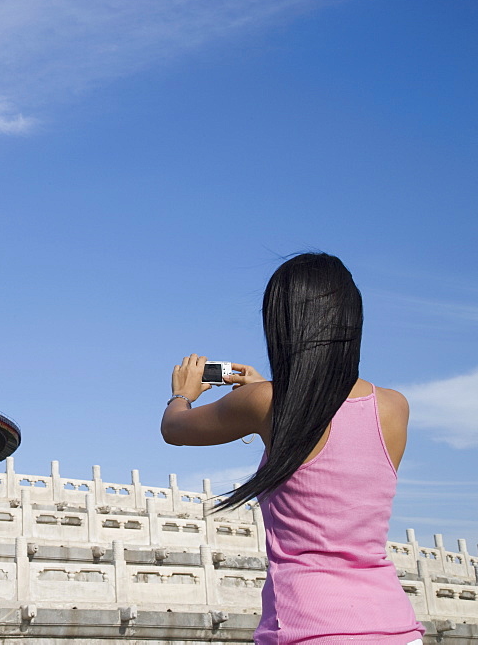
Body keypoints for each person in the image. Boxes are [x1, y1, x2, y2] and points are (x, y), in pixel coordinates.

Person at [160, 253, 424, 644]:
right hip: (396, 628)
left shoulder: (263, 403)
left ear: (283, 325)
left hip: (308, 627)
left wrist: (182, 393)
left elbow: (175, 429)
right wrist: (265, 391)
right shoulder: (393, 406)